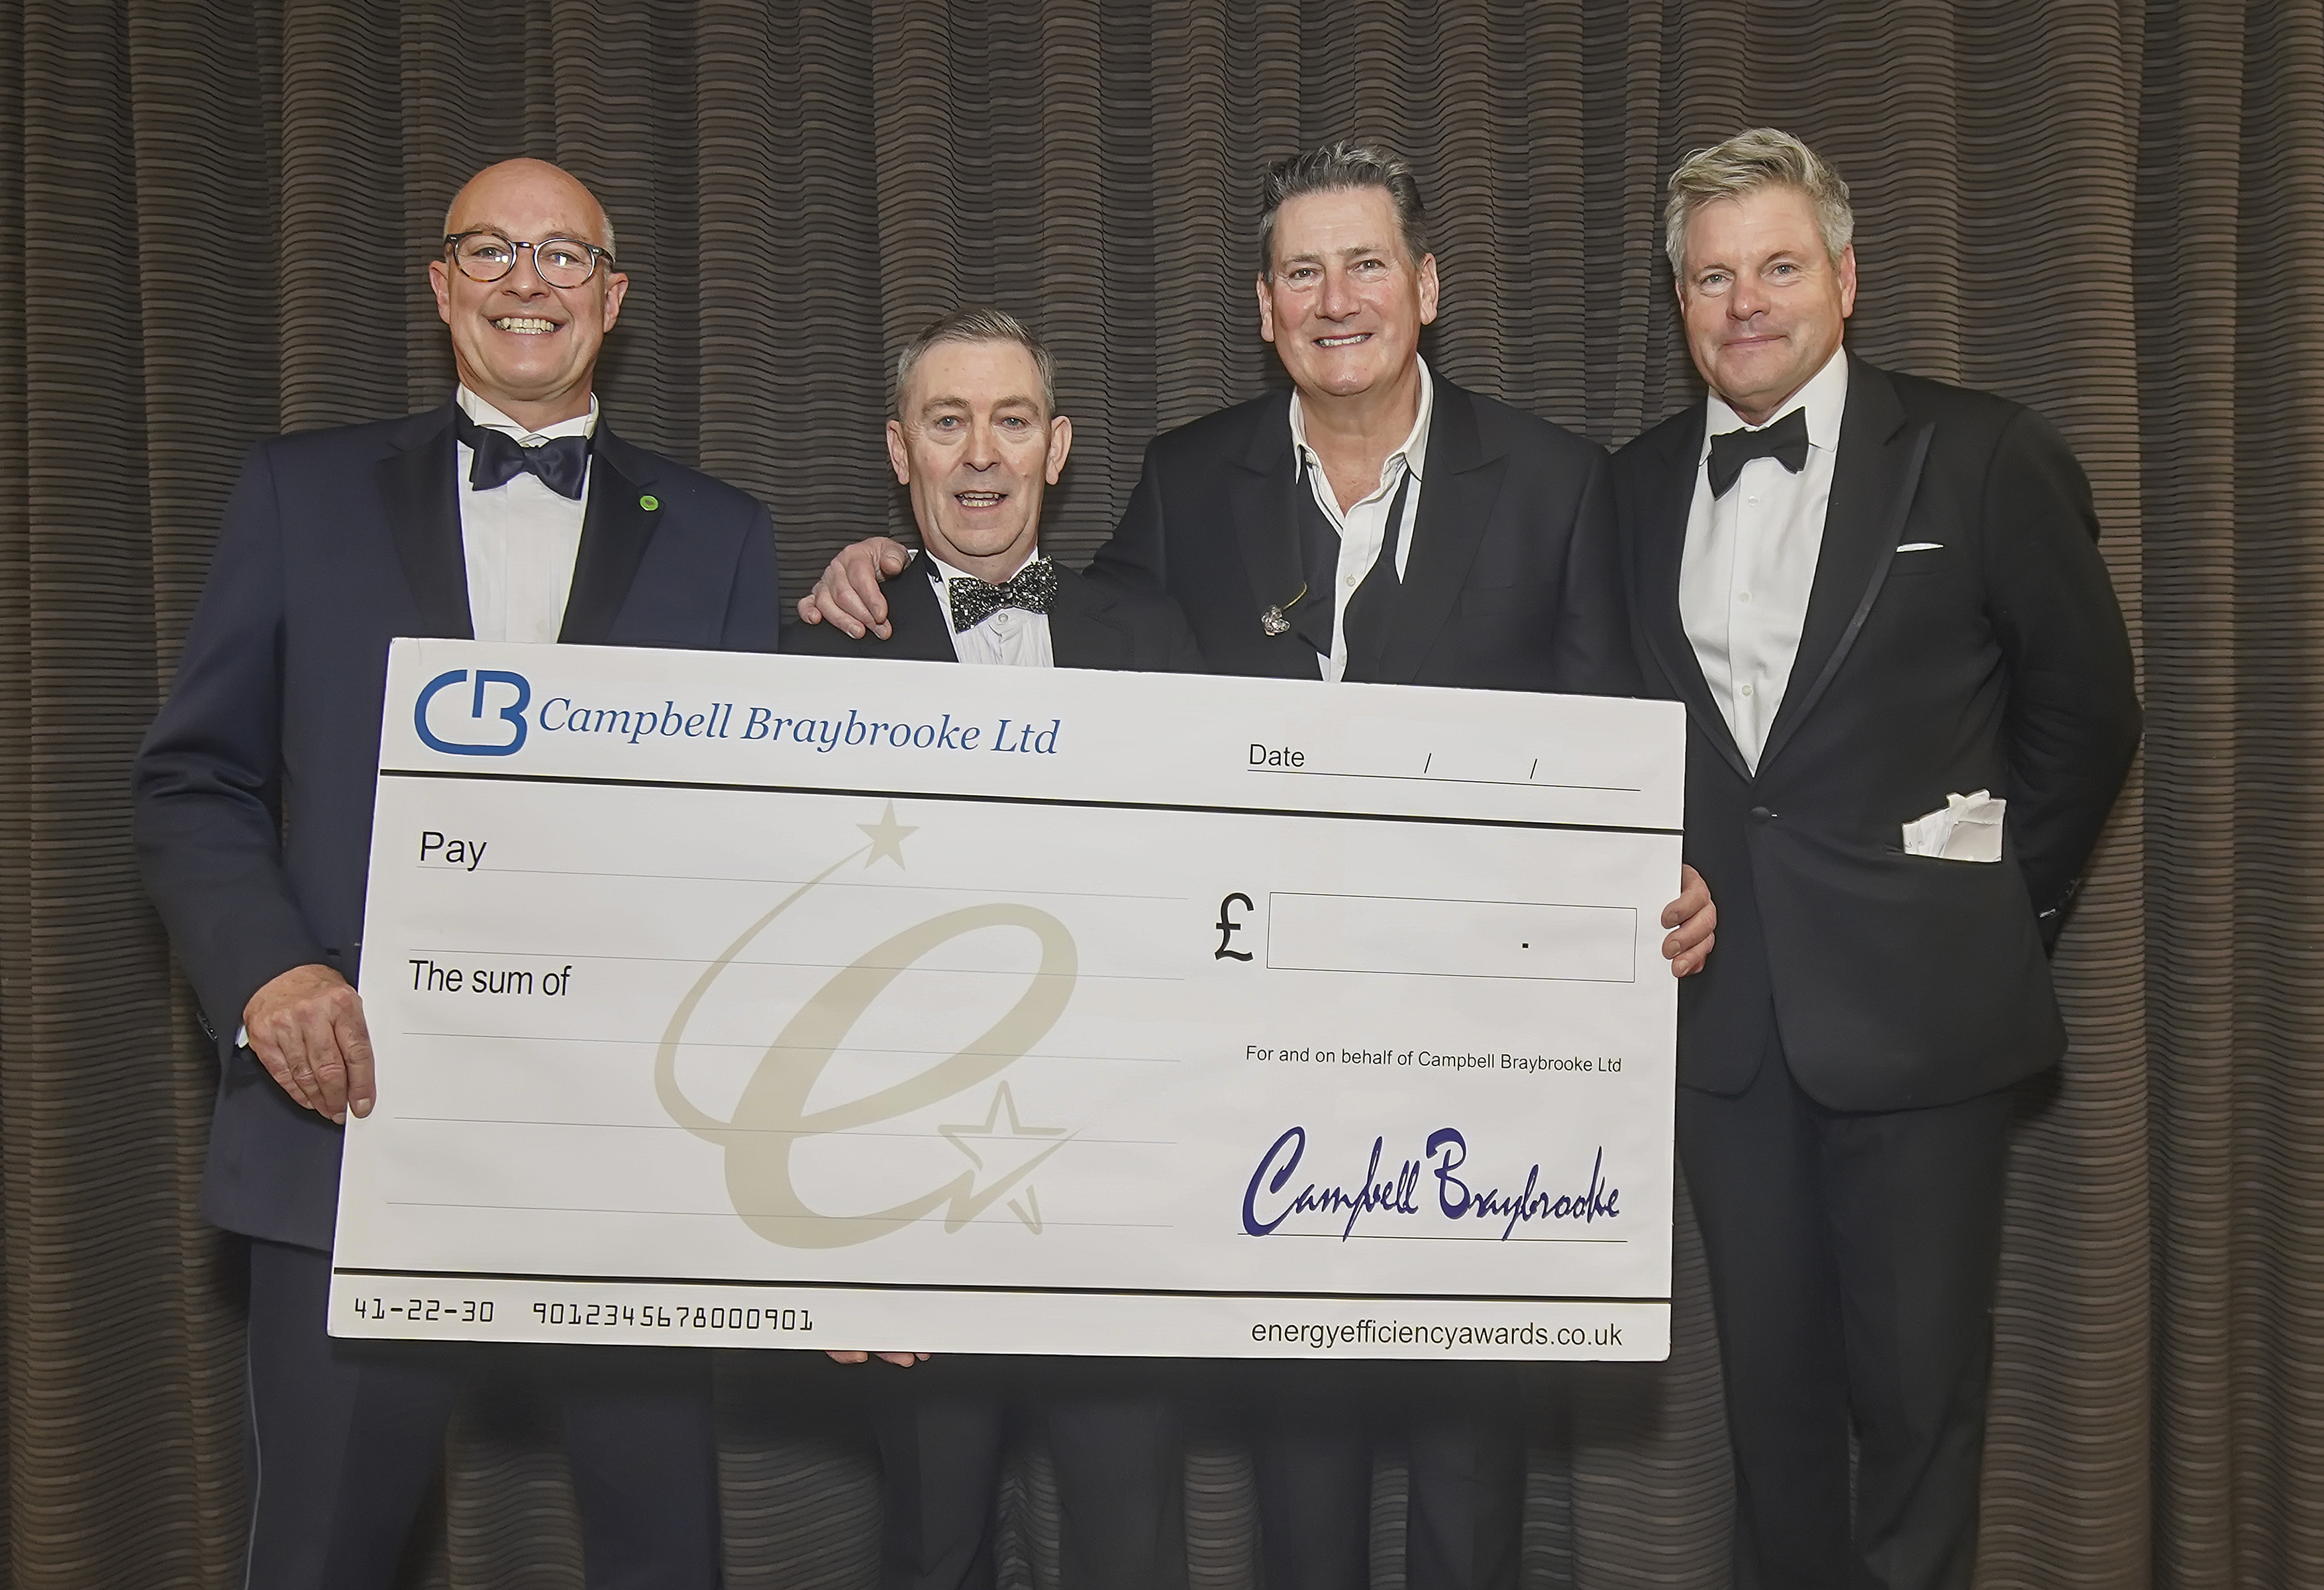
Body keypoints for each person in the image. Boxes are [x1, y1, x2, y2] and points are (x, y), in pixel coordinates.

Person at [797, 143, 1717, 1590]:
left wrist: (1663, 876)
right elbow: (1050, 627)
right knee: (1300, 1458)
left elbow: (1612, 737)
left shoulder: (1558, 483)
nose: (1336, 298)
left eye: (1365, 265)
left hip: (1484, 1053)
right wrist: (882, 570)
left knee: (1471, 1458)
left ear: (1427, 286)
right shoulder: (1188, 479)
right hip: (1257, 1068)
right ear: (1264, 305)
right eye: (1303, 271)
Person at [132, 158, 776, 1590]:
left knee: (663, 1556)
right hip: (353, 1122)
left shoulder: (722, 533)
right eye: (490, 249)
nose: (525, 281)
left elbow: (753, 837)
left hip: (631, 1148)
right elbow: (191, 781)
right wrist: (270, 973)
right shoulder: (300, 494)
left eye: (563, 256)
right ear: (440, 286)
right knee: (323, 1555)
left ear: (613, 297)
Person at [1613, 129, 2141, 1590]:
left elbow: (2089, 716)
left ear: (1845, 280)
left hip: (1925, 1023)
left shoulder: (1984, 454)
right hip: (1727, 1029)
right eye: (1712, 277)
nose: (1746, 304)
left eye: (1779, 267)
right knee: (1771, 1420)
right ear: (1679, 301)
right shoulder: (1632, 487)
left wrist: (1988, 913)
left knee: (1917, 1420)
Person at [787, 305, 1199, 1590]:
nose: (981, 454)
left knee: (1133, 1550)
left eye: (1011, 421)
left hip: (1121, 1187)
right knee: (935, 1546)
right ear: (898, 450)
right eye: (947, 421)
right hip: (909, 1195)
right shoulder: (819, 649)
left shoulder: (1157, 636)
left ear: (1056, 448)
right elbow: (793, 960)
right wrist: (835, 1240)